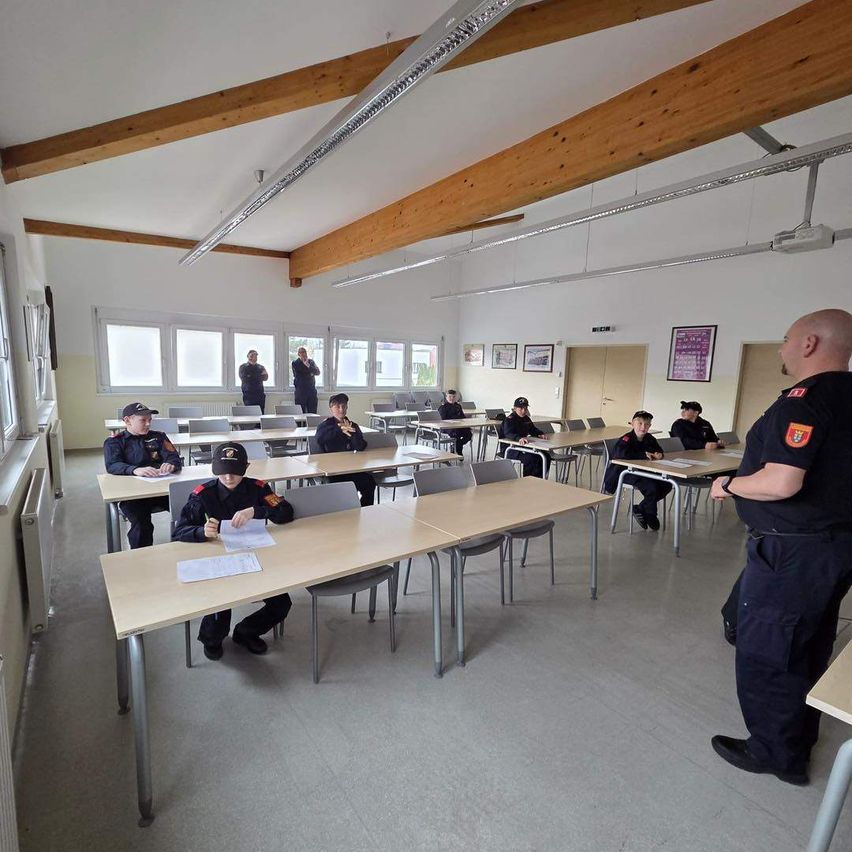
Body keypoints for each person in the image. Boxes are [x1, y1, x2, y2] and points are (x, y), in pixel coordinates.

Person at [709, 308, 852, 786]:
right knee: (809, 643)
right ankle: (798, 735)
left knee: (769, 650)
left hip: (793, 553)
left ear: (809, 343)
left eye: (787, 339)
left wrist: (730, 485)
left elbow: (782, 481)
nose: (782, 349)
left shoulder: (803, 401)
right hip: (835, 548)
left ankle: (775, 753)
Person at [172, 442, 295, 660]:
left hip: (258, 556)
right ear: (214, 469)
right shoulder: (203, 495)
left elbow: (285, 512)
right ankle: (212, 639)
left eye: (235, 472)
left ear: (246, 468)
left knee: (282, 604)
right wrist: (202, 532)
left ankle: (246, 631)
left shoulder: (259, 488)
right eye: (223, 472)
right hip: (219, 559)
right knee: (221, 610)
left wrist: (257, 511)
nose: (229, 477)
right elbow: (179, 530)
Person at [103, 402, 182, 549]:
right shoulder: (115, 442)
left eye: (149, 420)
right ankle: (140, 558)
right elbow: (112, 465)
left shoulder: (159, 437)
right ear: (127, 420)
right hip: (134, 495)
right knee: (141, 523)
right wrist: (134, 470)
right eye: (143, 420)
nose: (147, 424)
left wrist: (171, 464)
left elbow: (174, 457)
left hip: (162, 490)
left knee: (189, 508)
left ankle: (190, 545)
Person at [602, 410, 672, 531]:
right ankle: (651, 514)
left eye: (646, 424)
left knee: (667, 484)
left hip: (644, 471)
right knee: (651, 487)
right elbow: (620, 454)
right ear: (632, 424)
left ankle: (640, 508)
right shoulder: (626, 439)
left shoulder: (649, 438)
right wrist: (643, 454)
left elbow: (658, 450)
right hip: (625, 472)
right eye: (639, 423)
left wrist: (659, 454)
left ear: (649, 426)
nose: (643, 427)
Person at [314, 393, 376, 506]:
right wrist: (340, 430)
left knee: (369, 482)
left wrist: (352, 434)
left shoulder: (353, 425)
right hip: (332, 471)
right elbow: (319, 439)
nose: (341, 409)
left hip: (350, 468)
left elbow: (360, 446)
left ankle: (364, 510)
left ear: (347, 407)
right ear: (331, 409)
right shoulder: (325, 425)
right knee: (340, 489)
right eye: (337, 406)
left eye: (343, 406)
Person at [503, 397, 550, 479]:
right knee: (531, 459)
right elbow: (508, 433)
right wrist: (518, 438)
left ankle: (540, 479)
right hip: (511, 448)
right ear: (514, 408)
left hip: (523, 446)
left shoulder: (526, 418)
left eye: (525, 408)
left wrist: (539, 434)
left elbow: (532, 429)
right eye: (521, 408)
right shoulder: (509, 419)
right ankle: (528, 480)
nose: (524, 411)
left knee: (546, 456)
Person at [438, 389, 472, 457]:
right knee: (456, 434)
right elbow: (442, 420)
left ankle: (456, 446)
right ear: (446, 397)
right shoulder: (443, 407)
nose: (452, 398)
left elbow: (462, 417)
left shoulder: (458, 406)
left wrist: (466, 422)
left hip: (458, 426)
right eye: (450, 396)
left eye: (454, 397)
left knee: (469, 434)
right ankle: (459, 451)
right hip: (447, 428)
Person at [292, 346, 320, 414]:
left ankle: (312, 425)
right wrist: (310, 372)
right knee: (300, 413)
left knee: (312, 412)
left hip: (311, 391)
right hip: (300, 392)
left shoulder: (311, 362)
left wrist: (308, 366)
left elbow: (317, 372)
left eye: (304, 352)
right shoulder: (295, 363)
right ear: (298, 354)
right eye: (301, 352)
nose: (303, 354)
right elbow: (298, 375)